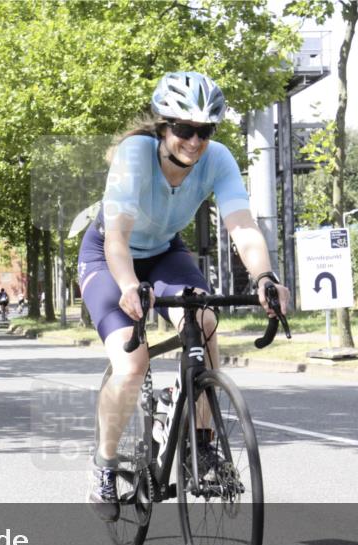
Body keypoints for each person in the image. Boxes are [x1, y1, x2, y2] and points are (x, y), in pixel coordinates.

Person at [78, 72, 290, 522]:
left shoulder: (218, 159)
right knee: (132, 363)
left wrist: (265, 277)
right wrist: (131, 285)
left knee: (205, 321)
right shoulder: (136, 156)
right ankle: (105, 462)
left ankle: (204, 444)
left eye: (206, 130)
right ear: (162, 126)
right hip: (108, 257)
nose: (195, 141)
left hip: (164, 251)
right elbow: (116, 237)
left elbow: (243, 226)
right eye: (184, 129)